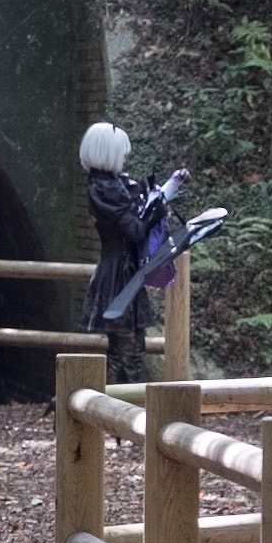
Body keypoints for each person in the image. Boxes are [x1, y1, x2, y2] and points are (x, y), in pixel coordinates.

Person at [78, 122, 185, 384]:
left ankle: (123, 414)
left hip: (125, 271)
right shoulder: (104, 189)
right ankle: (115, 414)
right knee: (125, 354)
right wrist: (159, 206)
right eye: (121, 152)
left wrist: (167, 190)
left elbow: (139, 215)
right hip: (118, 275)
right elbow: (136, 230)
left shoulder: (114, 184)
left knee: (133, 352)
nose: (125, 157)